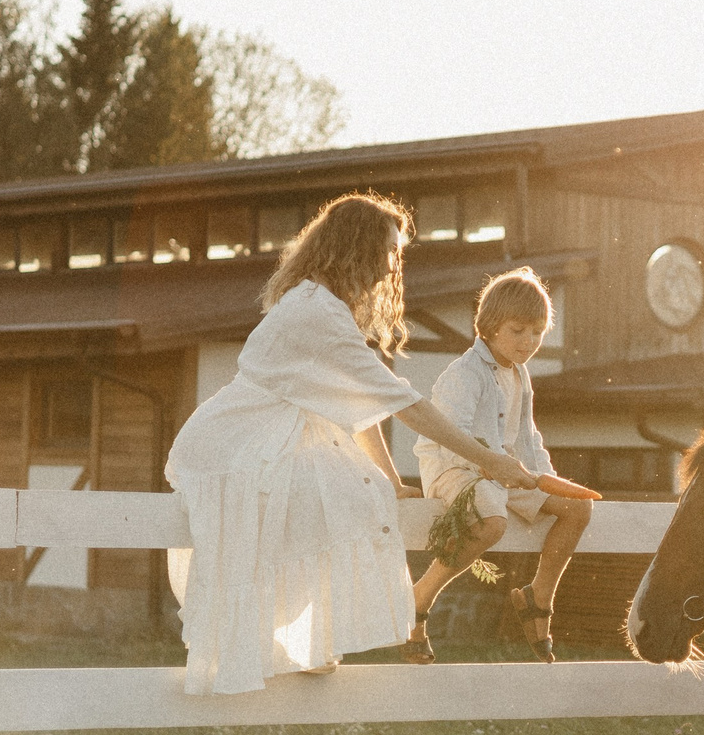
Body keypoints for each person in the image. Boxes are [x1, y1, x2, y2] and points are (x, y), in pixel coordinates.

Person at [164, 193, 535, 694]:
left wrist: (391, 478)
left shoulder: (325, 308)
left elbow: (363, 407)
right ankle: (306, 640)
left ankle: (307, 641)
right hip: (242, 439)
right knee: (344, 500)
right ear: (356, 249)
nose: (390, 267)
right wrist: (490, 460)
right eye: (387, 251)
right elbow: (408, 406)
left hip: (277, 434)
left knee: (361, 493)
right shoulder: (315, 310)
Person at [404, 267, 599, 664]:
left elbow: (527, 440)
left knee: (578, 507)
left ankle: (537, 598)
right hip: (453, 469)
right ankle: (419, 600)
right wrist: (494, 466)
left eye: (537, 332)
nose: (529, 342)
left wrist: (547, 478)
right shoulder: (464, 373)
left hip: (504, 474)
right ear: (490, 326)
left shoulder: (520, 374)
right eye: (518, 330)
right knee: (492, 522)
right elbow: (450, 436)